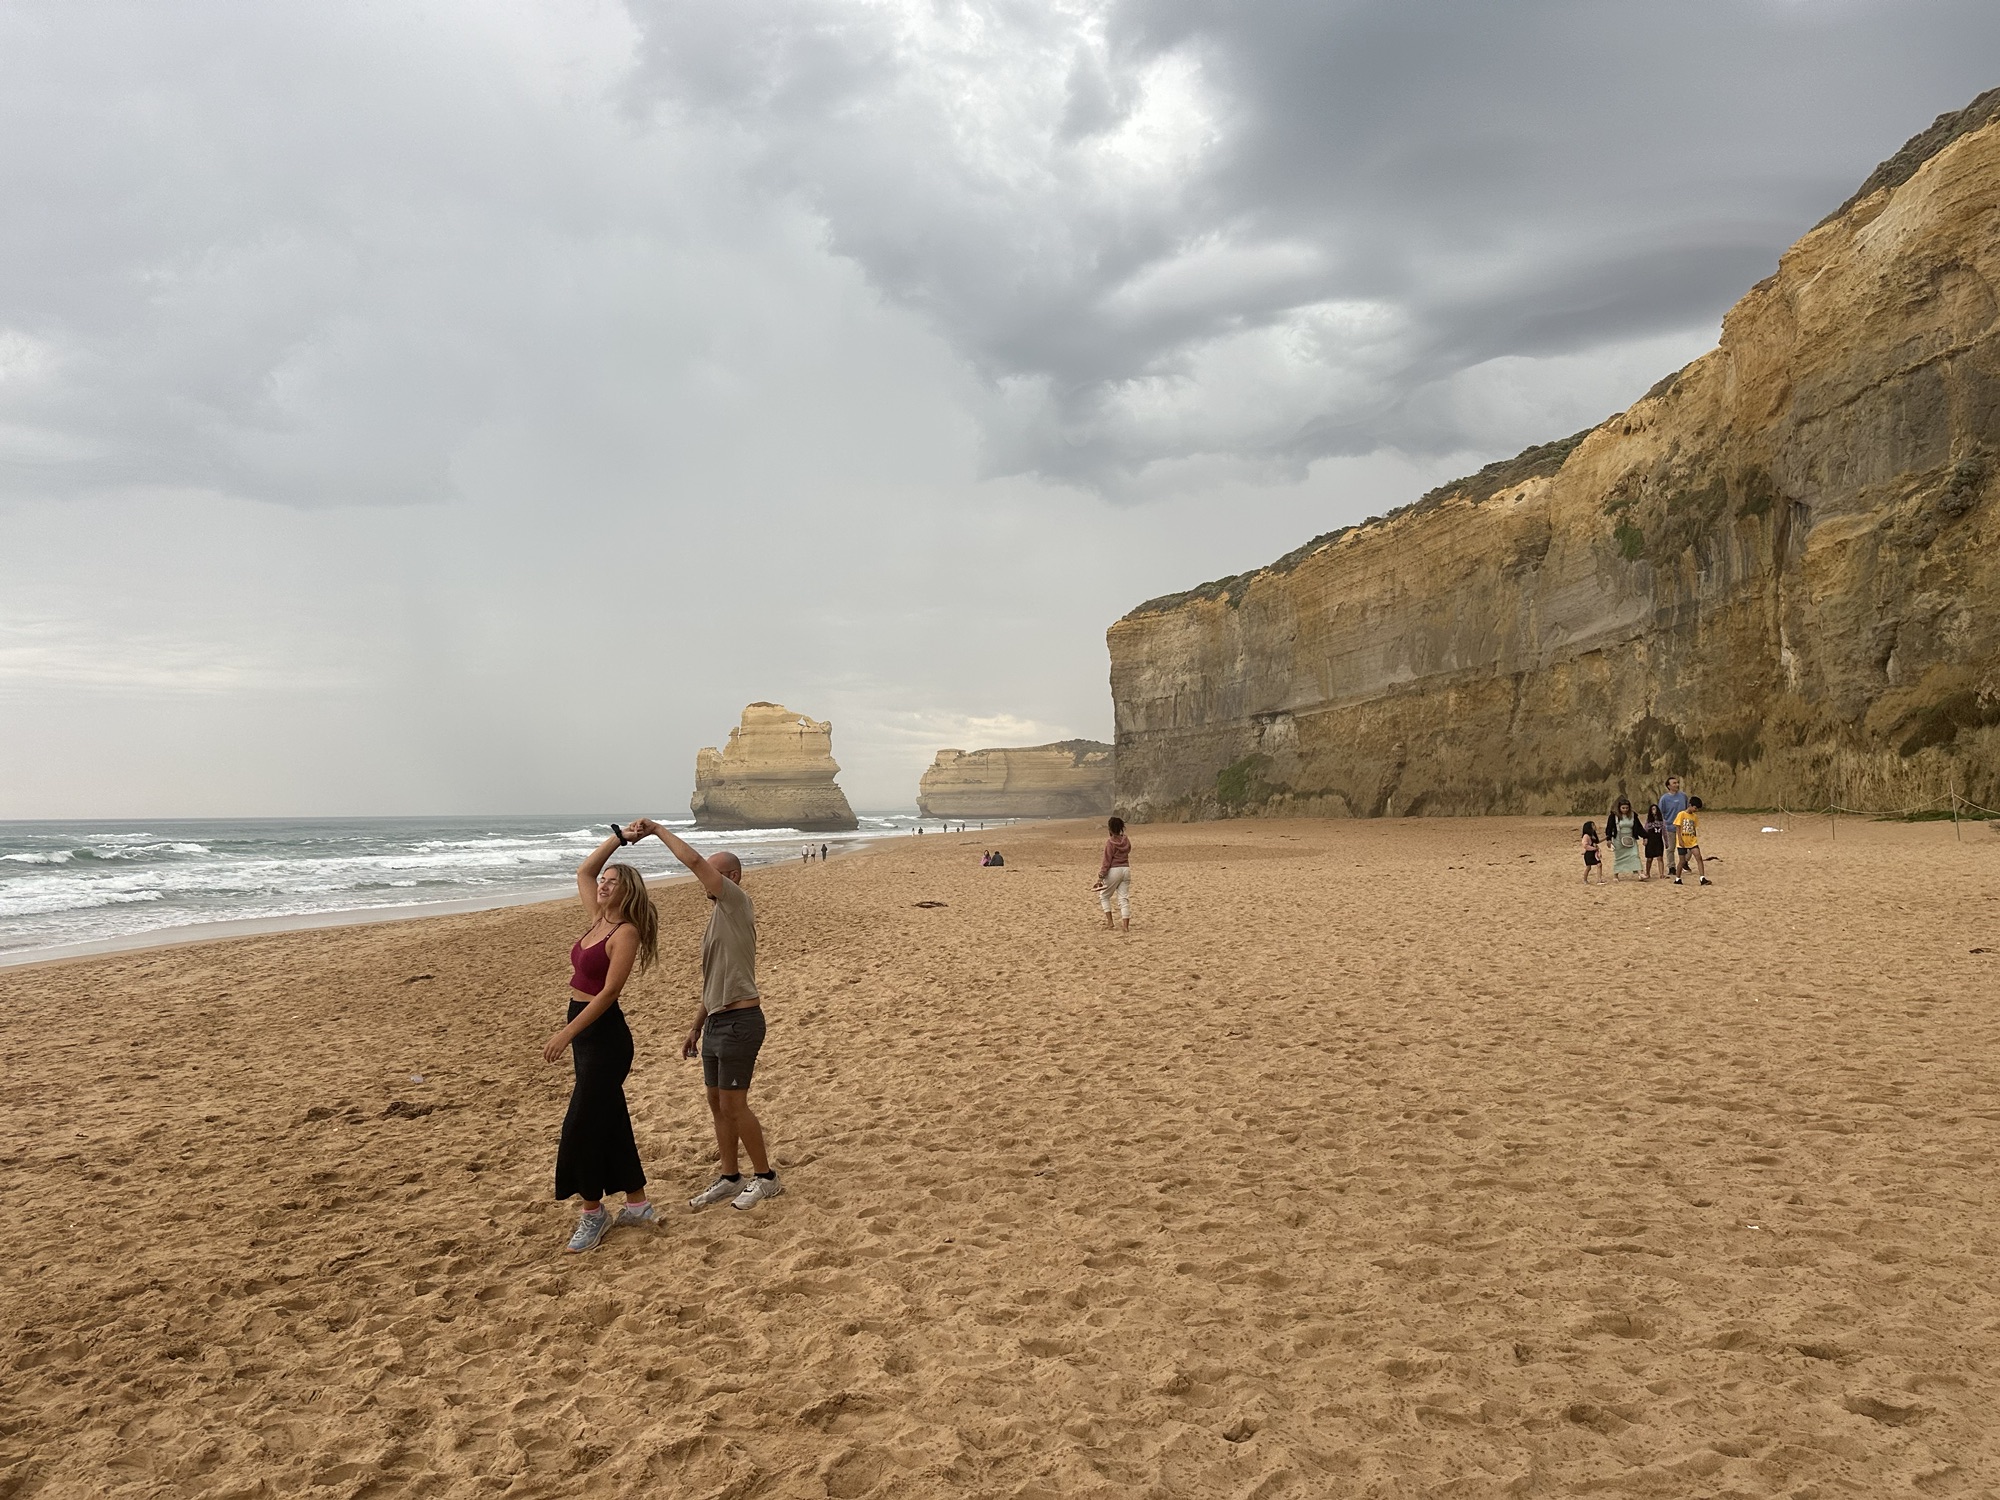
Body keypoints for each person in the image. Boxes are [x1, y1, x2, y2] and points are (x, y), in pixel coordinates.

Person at [623, 818, 783, 1211]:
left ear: (731, 876)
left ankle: (767, 1178)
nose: (703, 879)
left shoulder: (735, 902)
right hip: (715, 1022)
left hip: (741, 1022)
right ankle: (731, 1177)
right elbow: (713, 983)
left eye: (713, 872)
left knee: (734, 1104)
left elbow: (695, 861)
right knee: (717, 1104)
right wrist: (695, 1027)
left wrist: (658, 831)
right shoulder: (717, 920)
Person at [546, 830, 660, 1253]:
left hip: (604, 1034)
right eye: (604, 881)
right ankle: (637, 1203)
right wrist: (620, 838)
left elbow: (611, 992)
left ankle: (592, 1214)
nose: (603, 885)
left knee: (581, 1124)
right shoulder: (598, 916)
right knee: (609, 1118)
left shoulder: (625, 931)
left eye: (613, 882)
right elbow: (584, 869)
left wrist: (567, 1032)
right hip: (582, 1024)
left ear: (626, 890)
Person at [1095, 816, 1132, 929]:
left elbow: (1107, 861)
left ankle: (1110, 922)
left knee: (1104, 896)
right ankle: (1125, 926)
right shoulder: (1126, 840)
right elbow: (1128, 850)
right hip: (1126, 869)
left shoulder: (1110, 842)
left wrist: (1101, 876)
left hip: (1114, 870)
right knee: (1123, 898)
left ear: (1110, 829)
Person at [1673, 796, 1712, 885]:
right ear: (1690, 805)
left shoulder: (1694, 817)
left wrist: (1694, 837)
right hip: (1682, 841)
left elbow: (1694, 828)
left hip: (1692, 841)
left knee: (1699, 857)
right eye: (1695, 808)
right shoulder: (1681, 814)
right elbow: (1678, 828)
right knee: (1682, 861)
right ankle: (1677, 878)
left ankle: (1702, 878)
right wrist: (1680, 840)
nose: (1696, 810)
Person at [1657, 776, 1690, 878]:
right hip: (1670, 826)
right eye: (1674, 783)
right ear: (1668, 786)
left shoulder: (1683, 796)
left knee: (1689, 847)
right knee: (1671, 848)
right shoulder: (1664, 799)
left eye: (1677, 783)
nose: (1676, 785)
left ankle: (1684, 862)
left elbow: (1688, 808)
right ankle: (1671, 867)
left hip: (1684, 825)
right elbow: (1660, 813)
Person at [1606, 798, 1645, 880]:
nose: (1625, 810)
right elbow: (1609, 828)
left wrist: (1645, 836)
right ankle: (1616, 875)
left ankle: (1640, 873)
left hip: (1631, 838)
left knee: (1635, 855)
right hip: (1618, 839)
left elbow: (1639, 827)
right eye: (1623, 808)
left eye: (1627, 808)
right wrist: (1608, 839)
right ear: (1619, 808)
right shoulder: (1614, 816)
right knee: (1619, 857)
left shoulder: (1633, 815)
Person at [1641, 802, 1669, 882]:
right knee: (1649, 859)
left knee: (1660, 858)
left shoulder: (1661, 821)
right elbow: (1645, 831)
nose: (1654, 811)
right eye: (1653, 809)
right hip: (1650, 842)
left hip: (1658, 841)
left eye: (1655, 809)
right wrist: (1644, 839)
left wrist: (1666, 842)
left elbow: (1664, 832)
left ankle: (1661, 874)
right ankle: (1648, 873)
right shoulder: (1648, 822)